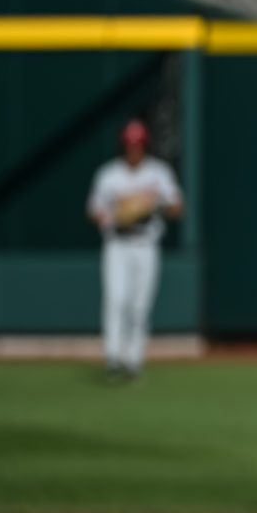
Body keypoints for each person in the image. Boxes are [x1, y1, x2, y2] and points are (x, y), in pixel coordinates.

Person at [86, 119, 184, 382]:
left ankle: (133, 361)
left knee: (140, 305)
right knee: (116, 300)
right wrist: (117, 215)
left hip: (145, 244)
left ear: (145, 145)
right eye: (130, 145)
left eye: (138, 144)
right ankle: (113, 359)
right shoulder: (109, 174)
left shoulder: (158, 173)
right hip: (116, 243)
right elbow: (94, 210)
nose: (134, 150)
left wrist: (150, 206)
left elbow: (177, 207)